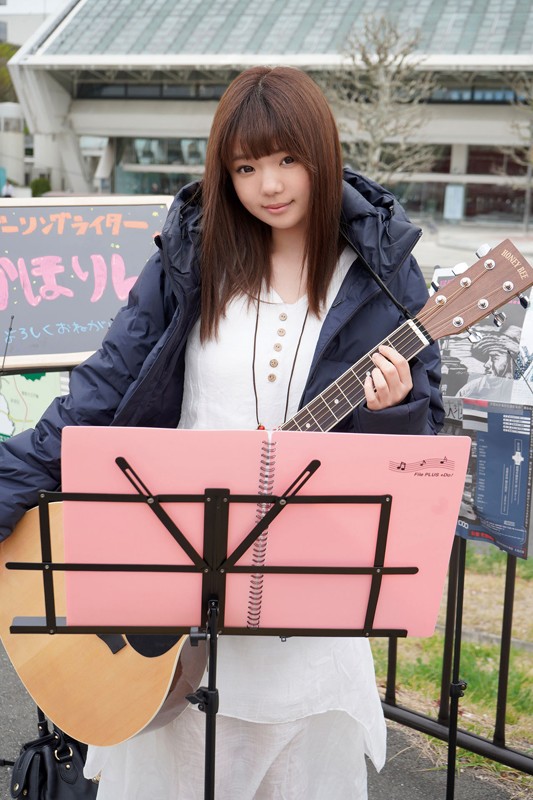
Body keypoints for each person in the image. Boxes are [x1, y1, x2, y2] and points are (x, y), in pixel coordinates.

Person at [0, 66, 443, 799]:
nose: (269, 184)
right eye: (245, 167)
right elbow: (101, 393)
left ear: (322, 154)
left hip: (306, 625)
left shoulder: (382, 273)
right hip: (167, 623)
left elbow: (414, 457)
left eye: (287, 159)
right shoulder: (190, 258)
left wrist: (391, 411)